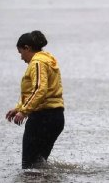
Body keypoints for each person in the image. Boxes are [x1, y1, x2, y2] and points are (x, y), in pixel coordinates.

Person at [5, 30, 65, 169]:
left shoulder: (37, 63)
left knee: (29, 168)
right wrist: (18, 108)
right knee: (39, 166)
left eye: (21, 52)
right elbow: (38, 91)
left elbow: (39, 89)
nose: (21, 58)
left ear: (27, 48)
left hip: (42, 118)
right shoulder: (48, 60)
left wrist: (24, 111)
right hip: (56, 117)